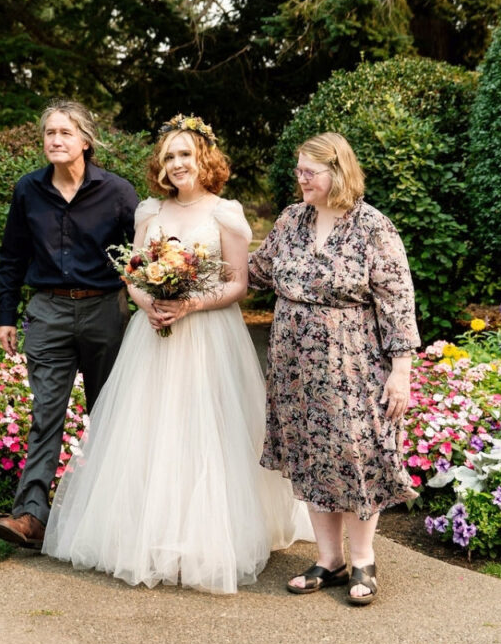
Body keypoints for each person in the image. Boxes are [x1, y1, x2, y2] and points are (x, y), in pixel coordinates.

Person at [42, 115, 312, 593]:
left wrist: (190, 304)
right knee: (151, 431)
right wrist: (151, 304)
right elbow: (132, 272)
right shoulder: (150, 211)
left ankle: (206, 538)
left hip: (209, 336)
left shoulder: (225, 212)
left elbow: (239, 283)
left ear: (204, 159)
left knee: (205, 431)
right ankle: (146, 534)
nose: (177, 163)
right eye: (169, 156)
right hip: (153, 337)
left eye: (185, 154)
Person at [248, 132, 420, 606]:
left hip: (353, 362)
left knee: (357, 453)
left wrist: (401, 370)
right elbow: (256, 272)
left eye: (310, 172)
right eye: (299, 170)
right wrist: (187, 268)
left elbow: (397, 301)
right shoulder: (290, 220)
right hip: (294, 366)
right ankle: (329, 559)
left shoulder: (372, 227)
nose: (300, 179)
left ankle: (363, 557)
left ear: (338, 173)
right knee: (310, 452)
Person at [0, 100, 139, 550]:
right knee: (45, 416)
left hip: (105, 312)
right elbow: (12, 256)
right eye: (49, 133)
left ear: (85, 141)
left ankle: (117, 517)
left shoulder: (117, 193)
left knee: (109, 415)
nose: (55, 140)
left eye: (65, 133)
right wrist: (6, 316)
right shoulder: (28, 190)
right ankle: (30, 517)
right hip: (48, 312)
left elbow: (144, 254)